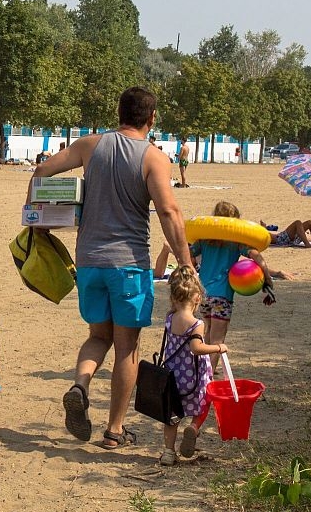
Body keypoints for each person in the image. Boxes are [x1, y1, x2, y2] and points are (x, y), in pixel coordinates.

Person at [29, 87, 192, 449]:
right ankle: (114, 430)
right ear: (152, 119)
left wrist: (35, 217)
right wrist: (185, 262)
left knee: (97, 336)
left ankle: (80, 385)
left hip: (88, 261)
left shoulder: (90, 146)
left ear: (118, 113)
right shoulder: (154, 158)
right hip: (129, 266)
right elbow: (168, 211)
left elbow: (42, 170)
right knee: (127, 347)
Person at [161, 201, 275, 372]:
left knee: (207, 333)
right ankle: (208, 375)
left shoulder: (204, 241)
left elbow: (186, 254)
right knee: (217, 340)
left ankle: (201, 369)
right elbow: (257, 258)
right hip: (223, 297)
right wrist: (267, 279)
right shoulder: (237, 242)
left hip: (203, 296)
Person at [159, 266, 227, 465]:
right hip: (193, 375)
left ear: (174, 298)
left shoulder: (170, 319)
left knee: (172, 416)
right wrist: (217, 347)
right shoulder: (197, 323)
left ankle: (168, 452)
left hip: (172, 374)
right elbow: (196, 348)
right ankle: (194, 428)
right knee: (204, 402)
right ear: (198, 298)